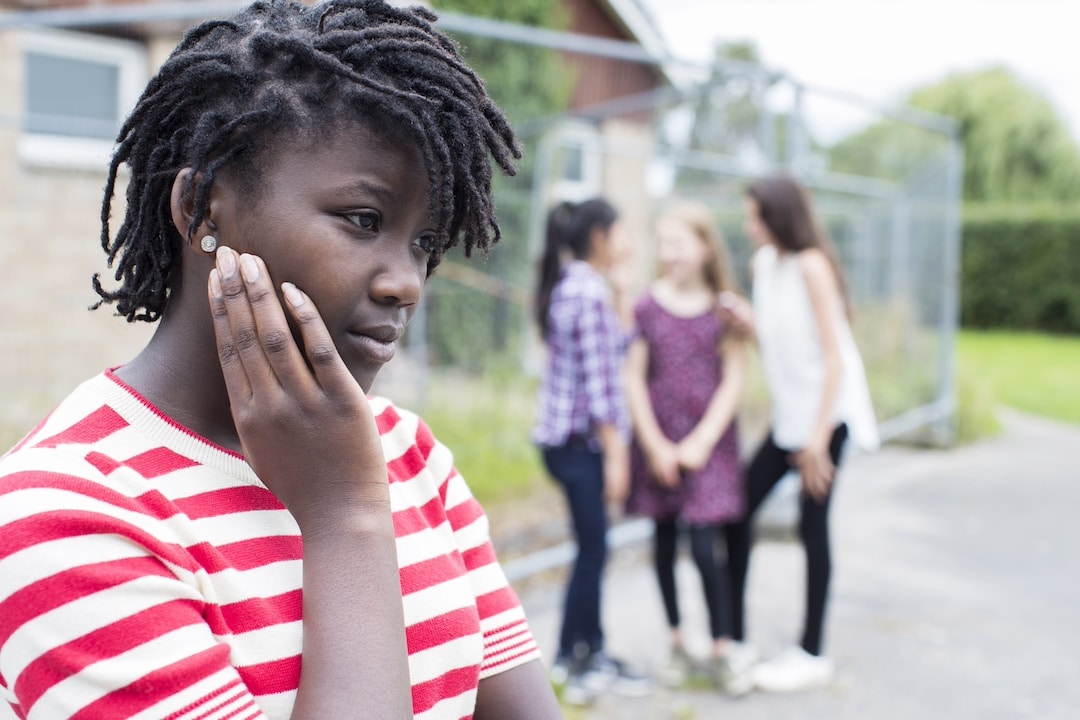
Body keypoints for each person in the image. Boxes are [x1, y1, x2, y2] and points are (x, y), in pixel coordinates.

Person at [0, 2, 563, 718]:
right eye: (364, 220)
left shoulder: (406, 454)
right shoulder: (64, 514)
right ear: (203, 207)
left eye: (423, 242)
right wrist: (345, 516)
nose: (408, 283)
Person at [722, 175, 880, 693]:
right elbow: (785, 340)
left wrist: (817, 440)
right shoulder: (763, 265)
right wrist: (749, 322)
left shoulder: (813, 265)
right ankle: (737, 639)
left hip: (828, 416)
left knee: (813, 526)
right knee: (738, 508)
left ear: (779, 217)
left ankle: (813, 652)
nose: (748, 227)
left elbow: (834, 356)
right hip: (791, 418)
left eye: (755, 217)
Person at [624, 202, 755, 695]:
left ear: (704, 248)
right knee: (663, 541)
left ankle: (723, 648)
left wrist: (700, 442)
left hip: (709, 452)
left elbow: (734, 379)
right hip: (659, 446)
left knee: (705, 546)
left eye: (678, 243)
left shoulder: (724, 310)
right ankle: (677, 641)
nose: (668, 253)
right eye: (663, 243)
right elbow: (635, 379)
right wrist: (656, 444)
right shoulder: (648, 306)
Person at [531, 198, 651, 705]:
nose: (629, 243)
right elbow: (604, 389)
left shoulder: (579, 285)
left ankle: (592, 648)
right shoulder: (587, 292)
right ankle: (570, 657)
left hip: (569, 444)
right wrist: (618, 457)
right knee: (593, 549)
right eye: (623, 232)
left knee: (593, 547)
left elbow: (612, 354)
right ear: (600, 236)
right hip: (582, 445)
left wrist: (621, 296)